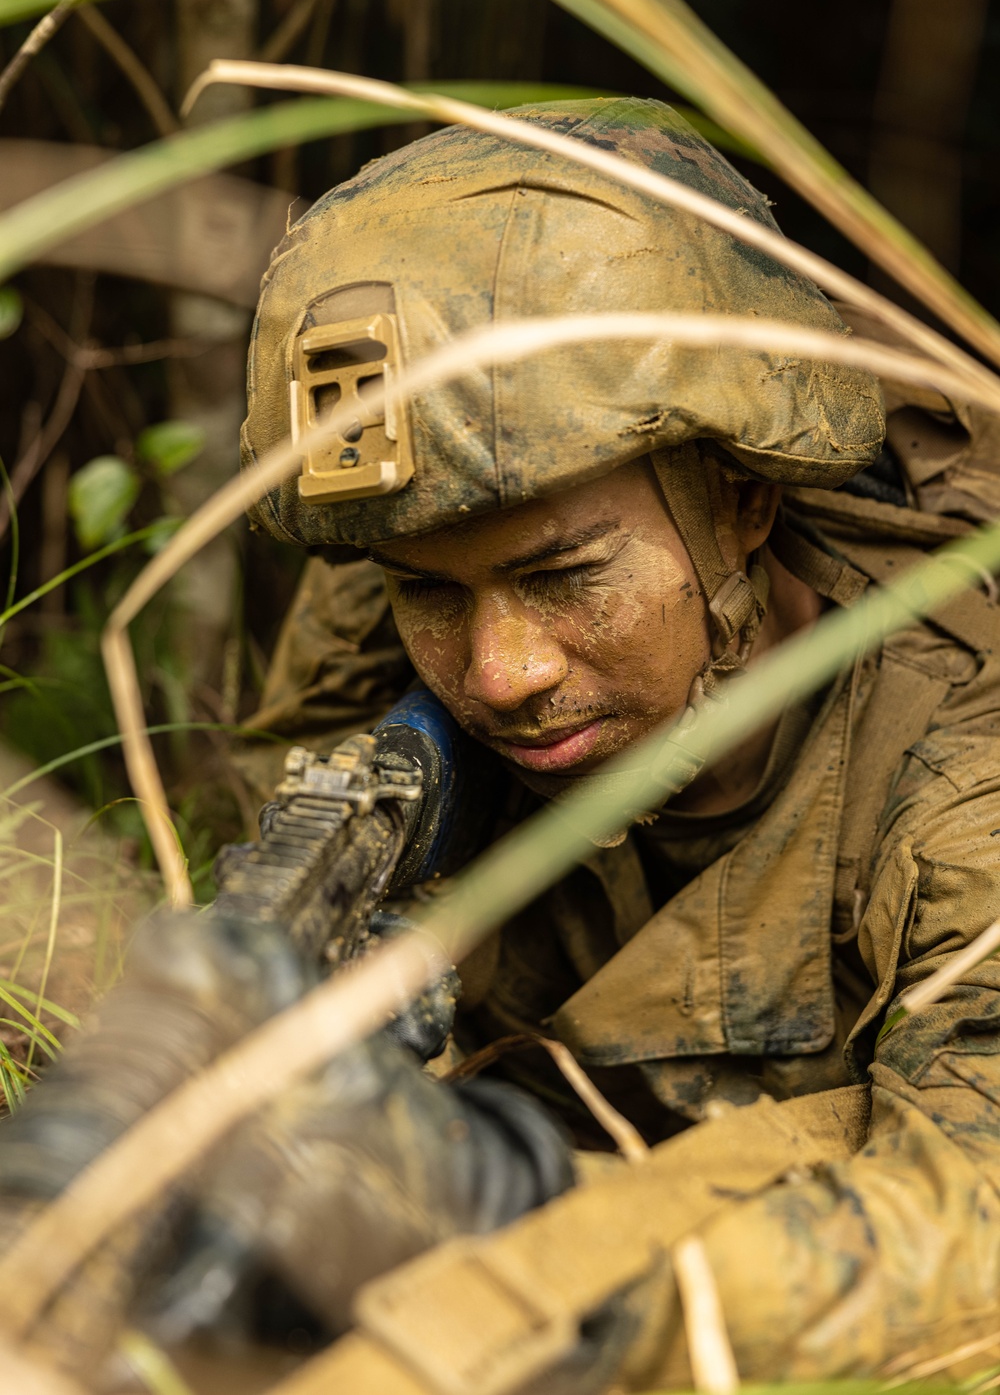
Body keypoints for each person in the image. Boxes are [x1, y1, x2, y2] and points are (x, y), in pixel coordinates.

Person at [7, 97, 1000, 1391]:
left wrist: (495, 1214)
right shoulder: (387, 624)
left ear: (742, 501)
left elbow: (971, 1236)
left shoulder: (954, 762)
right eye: (430, 591)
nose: (501, 672)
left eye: (568, 576)